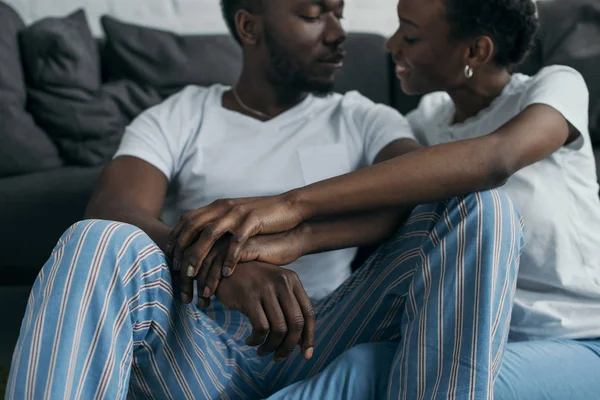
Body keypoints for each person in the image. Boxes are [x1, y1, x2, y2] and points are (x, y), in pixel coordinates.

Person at [6, 0, 526, 399]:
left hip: (324, 336)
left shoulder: (364, 116)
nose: (338, 32)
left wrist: (294, 236)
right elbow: (114, 208)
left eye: (340, 14)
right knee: (97, 240)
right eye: (312, 14)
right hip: (198, 346)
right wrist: (222, 269)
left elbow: (421, 191)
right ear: (250, 27)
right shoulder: (181, 115)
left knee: (481, 207)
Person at [167, 0, 600, 398]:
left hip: (576, 339)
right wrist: (288, 243)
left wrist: (289, 206)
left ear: (475, 52)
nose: (390, 45)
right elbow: (394, 206)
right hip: (477, 334)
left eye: (410, 36)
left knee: (371, 377)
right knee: (364, 360)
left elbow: (496, 159)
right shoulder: (425, 122)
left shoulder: (554, 88)